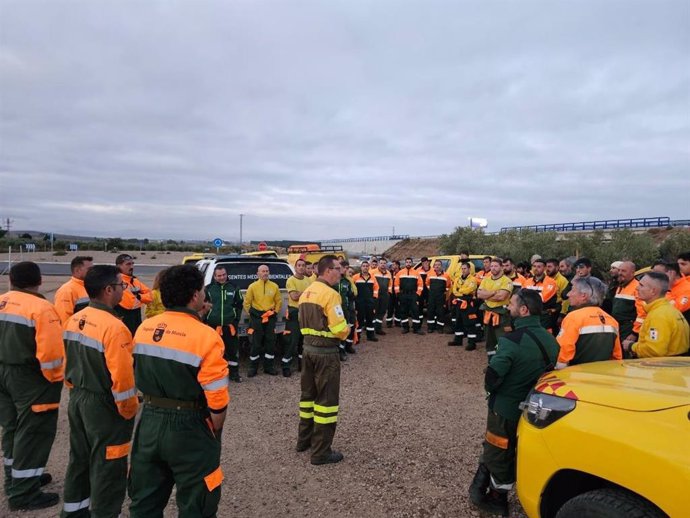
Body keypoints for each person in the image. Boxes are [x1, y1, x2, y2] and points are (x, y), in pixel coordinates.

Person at [129, 265, 228, 517]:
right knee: (197, 500)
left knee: (145, 500)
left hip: (149, 419)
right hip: (190, 424)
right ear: (195, 295)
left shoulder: (145, 328)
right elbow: (217, 398)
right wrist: (212, 429)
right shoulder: (207, 337)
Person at [469, 289, 559, 516]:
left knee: (499, 448)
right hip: (533, 406)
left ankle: (497, 497)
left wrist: (491, 388)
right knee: (515, 447)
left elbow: (493, 377)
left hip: (505, 408)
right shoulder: (551, 339)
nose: (508, 308)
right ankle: (486, 478)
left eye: (511, 305)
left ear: (523, 310)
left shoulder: (510, 340)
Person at [61, 265, 139, 517]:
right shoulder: (115, 328)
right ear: (109, 290)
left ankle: (73, 511)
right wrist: (128, 411)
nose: (123, 290)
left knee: (80, 458)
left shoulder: (75, 318)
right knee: (109, 464)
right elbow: (123, 379)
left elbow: (67, 361)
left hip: (78, 398)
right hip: (103, 405)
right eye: (121, 286)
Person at [0, 261, 64, 511]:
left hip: (3, 373)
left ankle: (15, 479)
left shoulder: (2, 300)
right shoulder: (42, 308)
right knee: (33, 433)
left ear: (11, 280)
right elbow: (51, 355)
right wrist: (54, 378)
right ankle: (24, 493)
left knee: (12, 428)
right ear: (38, 281)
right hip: (30, 378)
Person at [296, 255, 350, 465]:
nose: (341, 271)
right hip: (326, 353)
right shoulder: (331, 294)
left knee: (307, 398)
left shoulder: (306, 292)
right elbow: (338, 330)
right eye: (337, 268)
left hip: (307, 350)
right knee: (326, 403)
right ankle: (321, 452)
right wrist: (347, 330)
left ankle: (304, 441)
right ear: (327, 270)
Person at [556, 277, 622, 369]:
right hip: (602, 376)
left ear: (583, 296)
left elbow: (563, 353)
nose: (568, 294)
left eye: (572, 290)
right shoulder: (612, 321)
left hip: (577, 376)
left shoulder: (573, 317)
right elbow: (617, 357)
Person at [624, 272, 689, 358]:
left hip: (663, 368)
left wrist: (631, 346)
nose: (637, 288)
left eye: (641, 285)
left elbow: (653, 351)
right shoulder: (670, 310)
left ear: (653, 291)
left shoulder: (658, 315)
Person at [205, 265, 245, 381]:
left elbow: (239, 304)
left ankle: (234, 374)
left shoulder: (234, 287)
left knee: (232, 351)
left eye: (224, 275)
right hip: (213, 326)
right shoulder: (208, 289)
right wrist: (206, 320)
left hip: (229, 326)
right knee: (214, 353)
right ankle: (217, 375)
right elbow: (203, 306)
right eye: (219, 275)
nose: (222, 277)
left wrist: (235, 320)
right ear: (214, 276)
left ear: (226, 274)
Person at [244, 264, 282, 377]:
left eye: (267, 271)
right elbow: (246, 302)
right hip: (256, 317)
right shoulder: (252, 286)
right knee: (256, 342)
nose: (265, 273)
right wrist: (251, 313)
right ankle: (253, 368)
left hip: (270, 317)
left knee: (270, 342)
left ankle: (269, 367)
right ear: (258, 273)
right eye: (263, 271)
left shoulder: (274, 286)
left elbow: (278, 301)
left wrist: (275, 312)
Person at [477, 258, 513, 359]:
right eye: (492, 266)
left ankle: (502, 362)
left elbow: (501, 297)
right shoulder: (486, 279)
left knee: (502, 339)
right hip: (488, 314)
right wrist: (494, 292)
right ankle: (491, 362)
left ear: (501, 267)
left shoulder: (507, 281)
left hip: (502, 315)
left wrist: (487, 294)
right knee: (489, 340)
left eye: (496, 266)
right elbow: (479, 294)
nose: (493, 268)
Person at [611, 261, 645, 355]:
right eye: (620, 270)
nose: (620, 273)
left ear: (632, 273)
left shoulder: (637, 288)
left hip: (629, 329)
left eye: (624, 271)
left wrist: (634, 333)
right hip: (619, 328)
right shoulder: (621, 286)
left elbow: (641, 314)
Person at [113, 254, 152, 336]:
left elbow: (150, 296)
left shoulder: (134, 280)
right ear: (119, 266)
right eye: (128, 264)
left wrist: (139, 297)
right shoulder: (118, 281)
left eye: (132, 263)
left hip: (136, 319)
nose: (132, 267)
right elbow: (130, 303)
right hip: (124, 321)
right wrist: (141, 298)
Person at [285, 259, 313, 370]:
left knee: (304, 340)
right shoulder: (291, 280)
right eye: (299, 265)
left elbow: (312, 296)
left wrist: (300, 293)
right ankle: (286, 365)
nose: (301, 267)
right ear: (295, 267)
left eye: (303, 265)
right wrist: (306, 292)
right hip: (294, 312)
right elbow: (294, 297)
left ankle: (302, 365)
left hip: (306, 311)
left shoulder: (309, 280)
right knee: (293, 340)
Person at [448, 261, 480, 349]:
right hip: (458, 302)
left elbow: (469, 290)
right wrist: (461, 290)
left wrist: (460, 290)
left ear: (469, 269)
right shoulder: (458, 279)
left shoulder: (473, 279)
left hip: (468, 303)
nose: (463, 270)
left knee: (470, 323)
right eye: (462, 269)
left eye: (465, 268)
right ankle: (458, 340)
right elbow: (454, 290)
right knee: (458, 322)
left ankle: (472, 343)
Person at [53, 255, 93, 323]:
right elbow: (64, 321)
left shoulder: (91, 286)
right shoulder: (66, 291)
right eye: (89, 269)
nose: (93, 272)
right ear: (77, 270)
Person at [524, 259, 559, 332]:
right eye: (534, 266)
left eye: (539, 266)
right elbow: (521, 296)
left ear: (545, 268)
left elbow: (542, 298)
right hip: (529, 315)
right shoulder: (527, 281)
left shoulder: (551, 282)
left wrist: (527, 297)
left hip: (544, 316)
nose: (536, 268)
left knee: (543, 337)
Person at [394, 258, 424, 335]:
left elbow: (420, 284)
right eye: (406, 262)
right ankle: (405, 328)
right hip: (403, 295)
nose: (408, 263)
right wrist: (398, 294)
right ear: (405, 263)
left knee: (415, 311)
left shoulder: (416, 273)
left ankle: (416, 328)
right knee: (403, 311)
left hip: (413, 295)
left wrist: (418, 294)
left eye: (409, 262)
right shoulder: (400, 273)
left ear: (412, 263)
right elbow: (396, 284)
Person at [352, 261, 380, 343]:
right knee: (359, 320)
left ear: (369, 267)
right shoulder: (355, 277)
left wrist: (374, 298)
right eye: (363, 266)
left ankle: (370, 336)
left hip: (370, 302)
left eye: (367, 266)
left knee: (370, 319)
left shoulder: (373, 278)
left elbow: (376, 288)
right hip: (359, 303)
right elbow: (352, 289)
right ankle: (357, 337)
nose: (365, 267)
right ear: (361, 267)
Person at [335, 260, 357, 360]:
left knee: (347, 328)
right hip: (335, 310)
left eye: (348, 268)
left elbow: (350, 296)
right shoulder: (333, 280)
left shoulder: (346, 282)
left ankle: (345, 348)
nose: (347, 270)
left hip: (346, 309)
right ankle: (339, 350)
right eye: (345, 268)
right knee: (338, 330)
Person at [425, 260, 451, 333]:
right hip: (432, 296)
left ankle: (440, 328)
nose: (437, 266)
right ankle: (430, 327)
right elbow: (427, 283)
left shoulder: (446, 275)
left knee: (440, 312)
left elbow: (448, 285)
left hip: (441, 296)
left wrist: (444, 291)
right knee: (430, 311)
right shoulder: (430, 274)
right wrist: (431, 289)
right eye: (435, 265)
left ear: (441, 266)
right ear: (433, 266)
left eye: (438, 265)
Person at [373, 260, 393, 336]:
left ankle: (378, 328)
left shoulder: (388, 273)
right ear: (378, 264)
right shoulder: (372, 272)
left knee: (382, 311)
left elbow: (390, 284)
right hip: (375, 295)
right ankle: (371, 327)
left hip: (385, 295)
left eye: (384, 263)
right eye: (381, 263)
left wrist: (389, 292)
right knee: (374, 311)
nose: (383, 265)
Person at [416, 257, 432, 326]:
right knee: (420, 308)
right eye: (423, 263)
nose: (425, 264)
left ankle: (431, 325)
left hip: (430, 292)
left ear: (428, 262)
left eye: (426, 262)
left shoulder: (433, 271)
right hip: (421, 292)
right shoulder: (418, 271)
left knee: (431, 308)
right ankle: (419, 323)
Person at [388, 260, 401, 327]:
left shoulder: (401, 273)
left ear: (398, 265)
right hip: (391, 293)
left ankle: (397, 322)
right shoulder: (389, 273)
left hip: (398, 293)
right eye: (392, 264)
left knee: (398, 308)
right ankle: (389, 322)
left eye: (394, 264)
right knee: (390, 308)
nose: (392, 266)